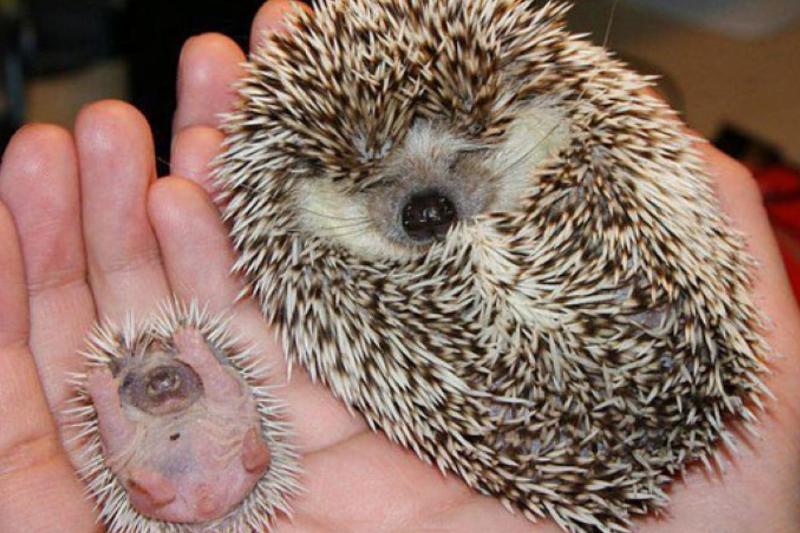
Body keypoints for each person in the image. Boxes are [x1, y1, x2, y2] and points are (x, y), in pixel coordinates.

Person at [0, 1, 798, 531]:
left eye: (462, 155)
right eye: (375, 182)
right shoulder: (314, 254)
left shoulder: (566, 132)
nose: (427, 206)